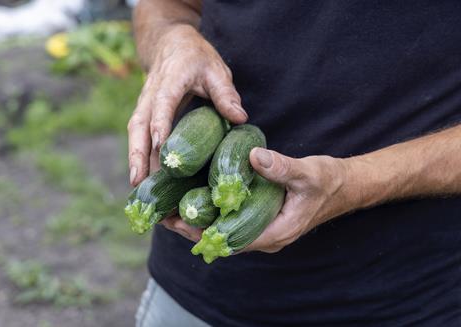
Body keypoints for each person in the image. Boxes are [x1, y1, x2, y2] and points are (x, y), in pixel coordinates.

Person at [128, 1, 461, 326]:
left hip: (406, 297)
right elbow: (167, 5)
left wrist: (354, 181)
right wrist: (170, 39)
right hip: (194, 285)